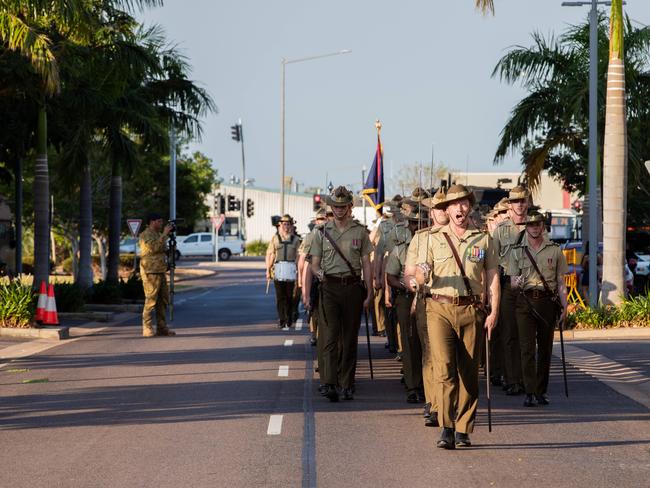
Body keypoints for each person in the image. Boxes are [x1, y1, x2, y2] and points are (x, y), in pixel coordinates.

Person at [413, 184, 499, 449]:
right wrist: (422, 273)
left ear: (469, 207)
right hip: (439, 308)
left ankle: (464, 429)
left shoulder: (483, 239)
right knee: (444, 368)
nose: (460, 208)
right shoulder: (431, 238)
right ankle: (447, 427)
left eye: (464, 203)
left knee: (469, 372)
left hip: (471, 309)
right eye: (454, 204)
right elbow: (417, 275)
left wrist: (494, 311)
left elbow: (493, 277)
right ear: (446, 210)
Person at [310, 186, 373, 402]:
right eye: (335, 206)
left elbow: (366, 263)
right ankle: (329, 382)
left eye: (342, 206)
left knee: (349, 338)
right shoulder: (322, 232)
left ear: (349, 207)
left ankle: (347, 383)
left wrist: (370, 292)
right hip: (329, 287)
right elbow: (314, 264)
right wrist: (320, 275)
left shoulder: (360, 232)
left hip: (353, 287)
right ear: (331, 207)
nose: (338, 210)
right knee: (329, 336)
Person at [509, 211, 568, 407]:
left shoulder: (555, 250)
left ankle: (541, 391)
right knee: (526, 349)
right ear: (526, 227)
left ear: (543, 226)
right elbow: (512, 283)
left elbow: (560, 282)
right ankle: (529, 391)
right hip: (525, 301)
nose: (534, 228)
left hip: (547, 302)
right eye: (531, 225)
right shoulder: (517, 251)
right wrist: (518, 281)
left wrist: (565, 307)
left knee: (545, 348)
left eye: (538, 224)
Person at [403, 187, 448, 426]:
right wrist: (413, 283)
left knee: (450, 358)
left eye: (445, 207)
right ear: (431, 211)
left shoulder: (467, 235)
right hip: (428, 300)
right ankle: (433, 403)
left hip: (456, 303)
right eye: (438, 208)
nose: (442, 212)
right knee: (430, 355)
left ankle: (449, 404)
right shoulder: (421, 237)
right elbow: (408, 273)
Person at [386, 207, 428, 403]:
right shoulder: (401, 249)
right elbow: (391, 277)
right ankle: (413, 386)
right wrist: (405, 284)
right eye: (413, 223)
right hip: (407, 298)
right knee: (410, 343)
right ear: (408, 225)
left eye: (422, 223)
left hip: (431, 299)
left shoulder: (434, 246)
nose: (417, 227)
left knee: (430, 344)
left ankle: (431, 387)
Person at [491, 185, 529, 395]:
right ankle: (512, 378)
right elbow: (492, 263)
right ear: (510, 204)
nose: (520, 204)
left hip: (529, 286)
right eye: (515, 201)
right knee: (508, 334)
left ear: (528, 203)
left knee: (526, 336)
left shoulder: (536, 226)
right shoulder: (501, 230)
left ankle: (526, 379)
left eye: (523, 200)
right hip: (507, 285)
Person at [139, 213, 175, 337]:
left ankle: (162, 327)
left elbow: (162, 250)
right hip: (150, 271)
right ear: (152, 222)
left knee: (163, 300)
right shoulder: (145, 235)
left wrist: (170, 246)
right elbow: (153, 248)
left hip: (160, 270)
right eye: (159, 221)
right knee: (151, 300)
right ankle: (147, 327)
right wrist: (165, 234)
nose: (161, 224)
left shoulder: (158, 235)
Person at [266, 214, 301, 329]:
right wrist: (268, 269)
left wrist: (298, 270)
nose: (286, 226)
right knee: (280, 296)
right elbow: (271, 254)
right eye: (284, 224)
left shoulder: (296, 240)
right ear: (280, 225)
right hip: (278, 269)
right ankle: (281, 319)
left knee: (290, 296)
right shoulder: (275, 239)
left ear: (291, 226)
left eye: (288, 224)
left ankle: (289, 317)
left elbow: (298, 256)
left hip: (291, 270)